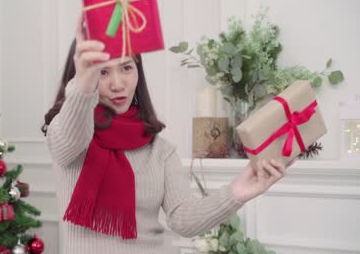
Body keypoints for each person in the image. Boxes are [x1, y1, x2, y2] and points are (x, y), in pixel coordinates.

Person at [41, 15, 291, 254]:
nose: (117, 84)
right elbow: (68, 141)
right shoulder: (66, 129)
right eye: (103, 72)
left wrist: (237, 192)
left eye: (126, 67)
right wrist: (84, 83)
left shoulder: (159, 149)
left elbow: (182, 219)